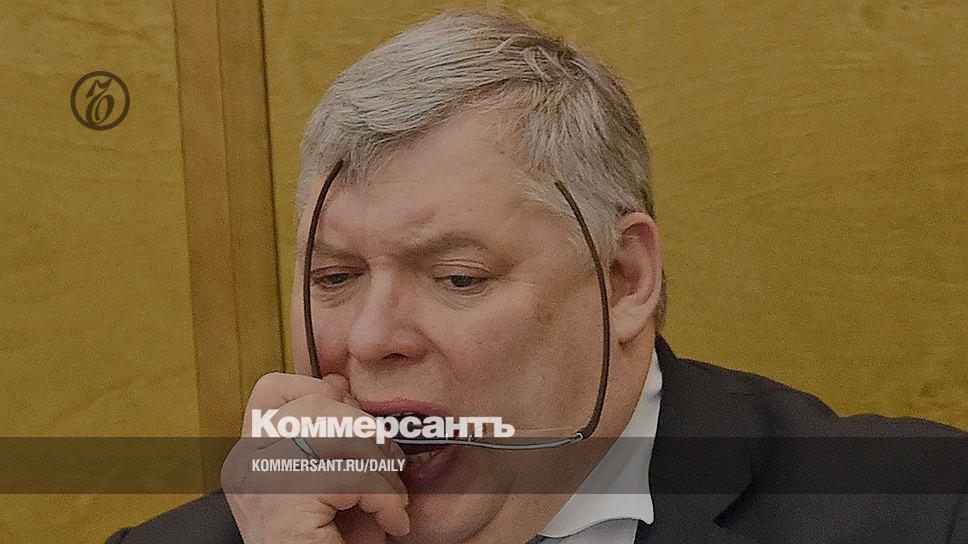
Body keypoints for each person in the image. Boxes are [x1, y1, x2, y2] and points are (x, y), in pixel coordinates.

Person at [107, 10, 966, 544]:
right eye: (335, 278)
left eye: (457, 277)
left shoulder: (926, 513)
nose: (368, 340)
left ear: (624, 279)